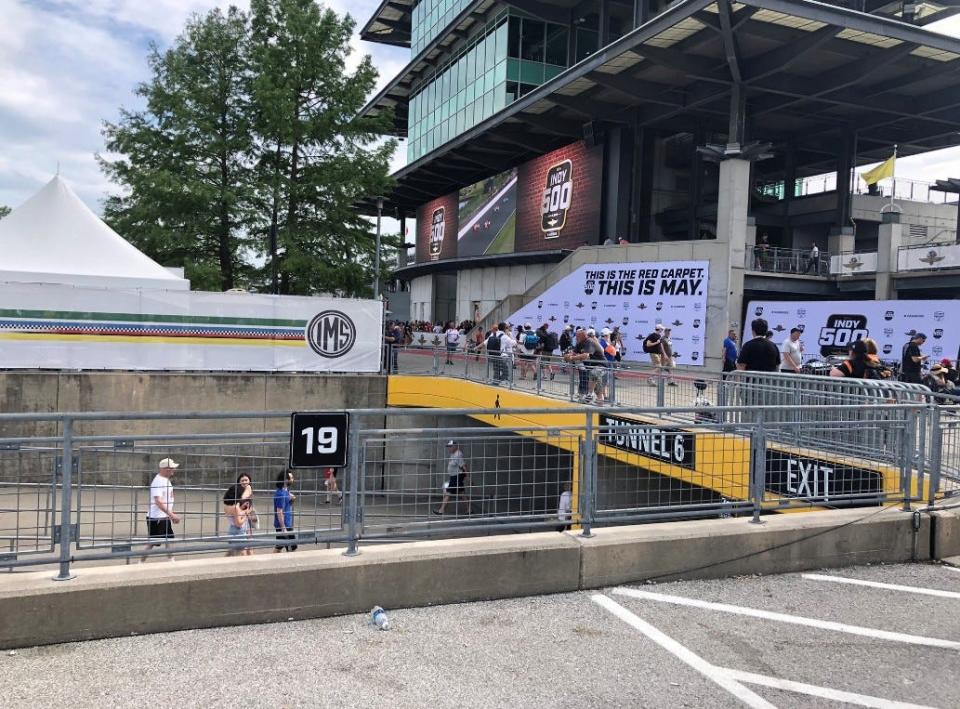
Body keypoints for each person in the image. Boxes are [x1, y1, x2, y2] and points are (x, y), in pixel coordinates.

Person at [141, 457, 180, 562]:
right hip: (157, 517)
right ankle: (140, 562)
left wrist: (170, 513)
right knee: (152, 542)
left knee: (169, 540)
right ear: (165, 469)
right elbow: (158, 501)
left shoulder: (164, 480)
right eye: (171, 468)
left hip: (163, 516)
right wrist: (171, 514)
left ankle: (171, 561)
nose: (173, 470)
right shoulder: (158, 481)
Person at [564, 328, 605, 402]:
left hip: (601, 366)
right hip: (592, 367)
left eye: (577, 336)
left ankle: (590, 394)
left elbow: (586, 355)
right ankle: (596, 400)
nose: (576, 338)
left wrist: (572, 358)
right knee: (597, 389)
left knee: (593, 375)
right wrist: (567, 356)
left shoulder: (589, 341)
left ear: (582, 336)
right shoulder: (579, 343)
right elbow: (573, 353)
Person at [434, 440, 469, 515]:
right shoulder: (453, 454)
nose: (448, 448)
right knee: (462, 493)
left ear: (455, 446)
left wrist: (468, 477)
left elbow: (464, 466)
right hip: (455, 476)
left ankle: (441, 510)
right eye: (448, 447)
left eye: (450, 446)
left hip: (457, 477)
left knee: (448, 493)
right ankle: (469, 510)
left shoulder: (458, 454)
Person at [223, 474, 254, 557]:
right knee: (241, 554)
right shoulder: (236, 507)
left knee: (232, 553)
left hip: (232, 530)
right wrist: (246, 513)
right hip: (239, 531)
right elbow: (239, 523)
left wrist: (243, 511)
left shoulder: (226, 506)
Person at [274, 470, 298, 553]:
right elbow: (279, 511)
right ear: (285, 480)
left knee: (279, 546)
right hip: (284, 525)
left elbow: (288, 501)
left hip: (285, 523)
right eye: (291, 478)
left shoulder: (285, 490)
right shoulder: (280, 494)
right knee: (292, 547)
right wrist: (283, 528)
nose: (292, 479)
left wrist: (292, 498)